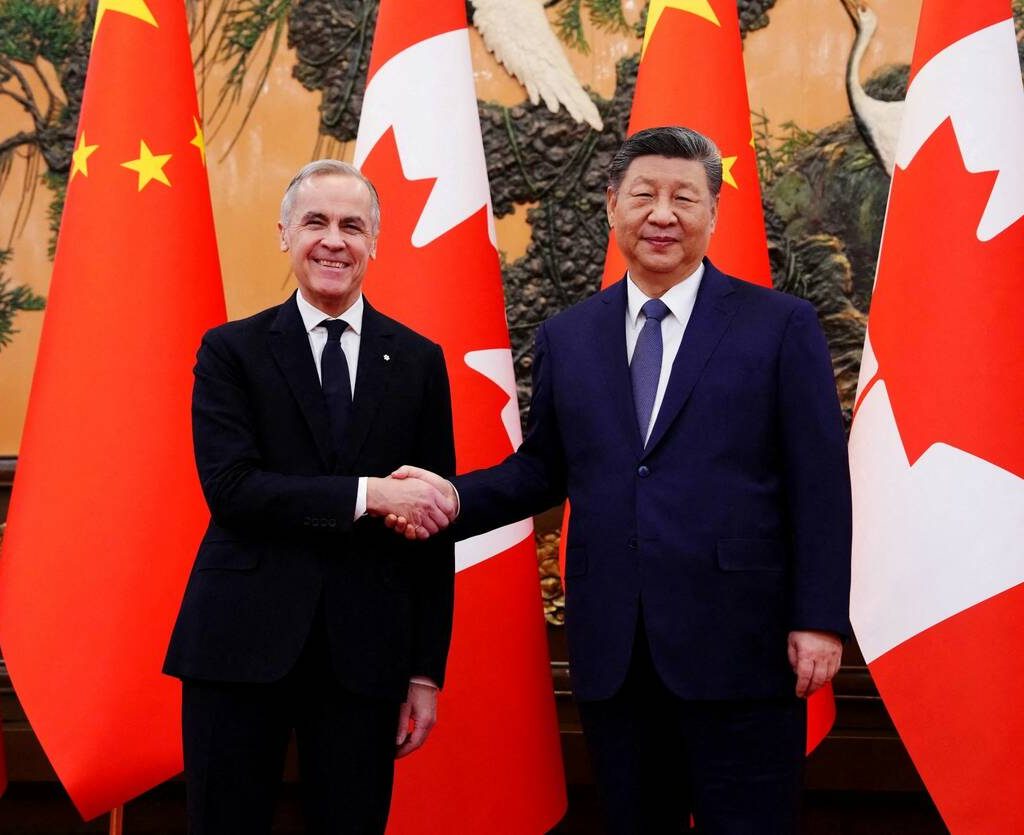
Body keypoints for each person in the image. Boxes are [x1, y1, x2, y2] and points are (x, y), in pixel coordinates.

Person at [390, 126, 852, 834]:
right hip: (617, 651)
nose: (661, 214)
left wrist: (817, 617)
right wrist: (450, 495)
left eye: (682, 197)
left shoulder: (779, 325)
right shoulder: (570, 337)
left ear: (713, 213)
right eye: (643, 195)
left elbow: (819, 480)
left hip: (745, 647)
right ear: (612, 206)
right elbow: (544, 468)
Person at [163, 159, 457, 835]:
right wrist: (368, 494)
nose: (333, 240)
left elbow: (432, 521)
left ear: (375, 242)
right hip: (239, 643)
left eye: (352, 225)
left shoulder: (418, 360)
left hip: (366, 653)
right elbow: (233, 490)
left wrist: (425, 670)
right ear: (284, 234)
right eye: (315, 222)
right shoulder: (231, 351)